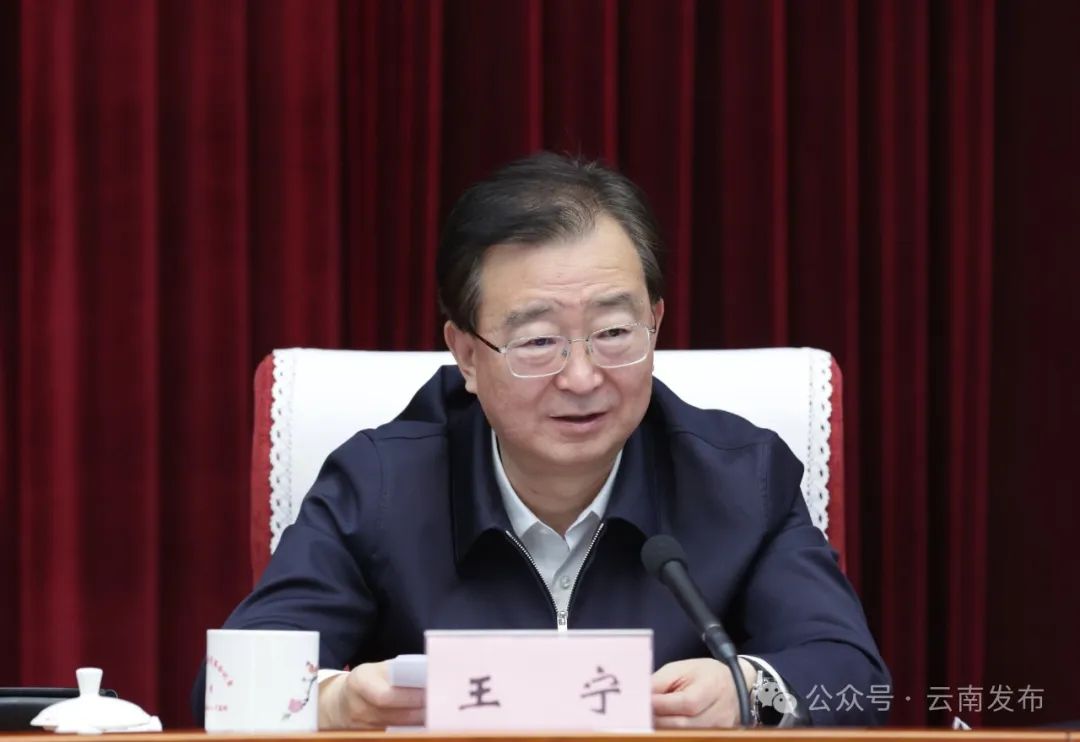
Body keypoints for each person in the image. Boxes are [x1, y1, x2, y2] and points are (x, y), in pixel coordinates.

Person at [191, 152, 889, 728]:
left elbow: (857, 682)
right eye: (537, 341)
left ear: (656, 322)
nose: (582, 377)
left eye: (614, 332)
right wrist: (338, 702)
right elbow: (224, 689)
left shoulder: (741, 479)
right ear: (467, 355)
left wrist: (746, 691)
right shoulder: (379, 484)